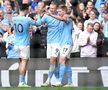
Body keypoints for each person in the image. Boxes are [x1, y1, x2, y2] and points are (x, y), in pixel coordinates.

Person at [12, 4, 40, 87]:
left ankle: (22, 82)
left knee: (21, 63)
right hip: (24, 44)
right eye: (28, 9)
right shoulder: (27, 19)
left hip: (16, 43)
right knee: (24, 63)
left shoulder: (14, 19)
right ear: (26, 10)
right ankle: (21, 82)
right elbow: (38, 23)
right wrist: (38, 13)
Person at [47, 5, 73, 87]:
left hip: (67, 43)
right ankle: (70, 82)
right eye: (57, 12)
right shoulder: (60, 21)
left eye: (59, 12)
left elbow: (63, 18)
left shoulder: (66, 17)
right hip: (62, 43)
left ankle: (59, 81)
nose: (58, 13)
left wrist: (51, 15)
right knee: (67, 62)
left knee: (61, 60)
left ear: (64, 11)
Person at [40, 3, 63, 87]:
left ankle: (48, 80)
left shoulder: (60, 17)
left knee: (52, 61)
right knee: (54, 63)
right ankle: (58, 81)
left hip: (57, 43)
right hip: (49, 42)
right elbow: (40, 23)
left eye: (54, 8)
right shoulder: (46, 16)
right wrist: (41, 13)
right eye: (51, 8)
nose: (52, 9)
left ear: (56, 8)